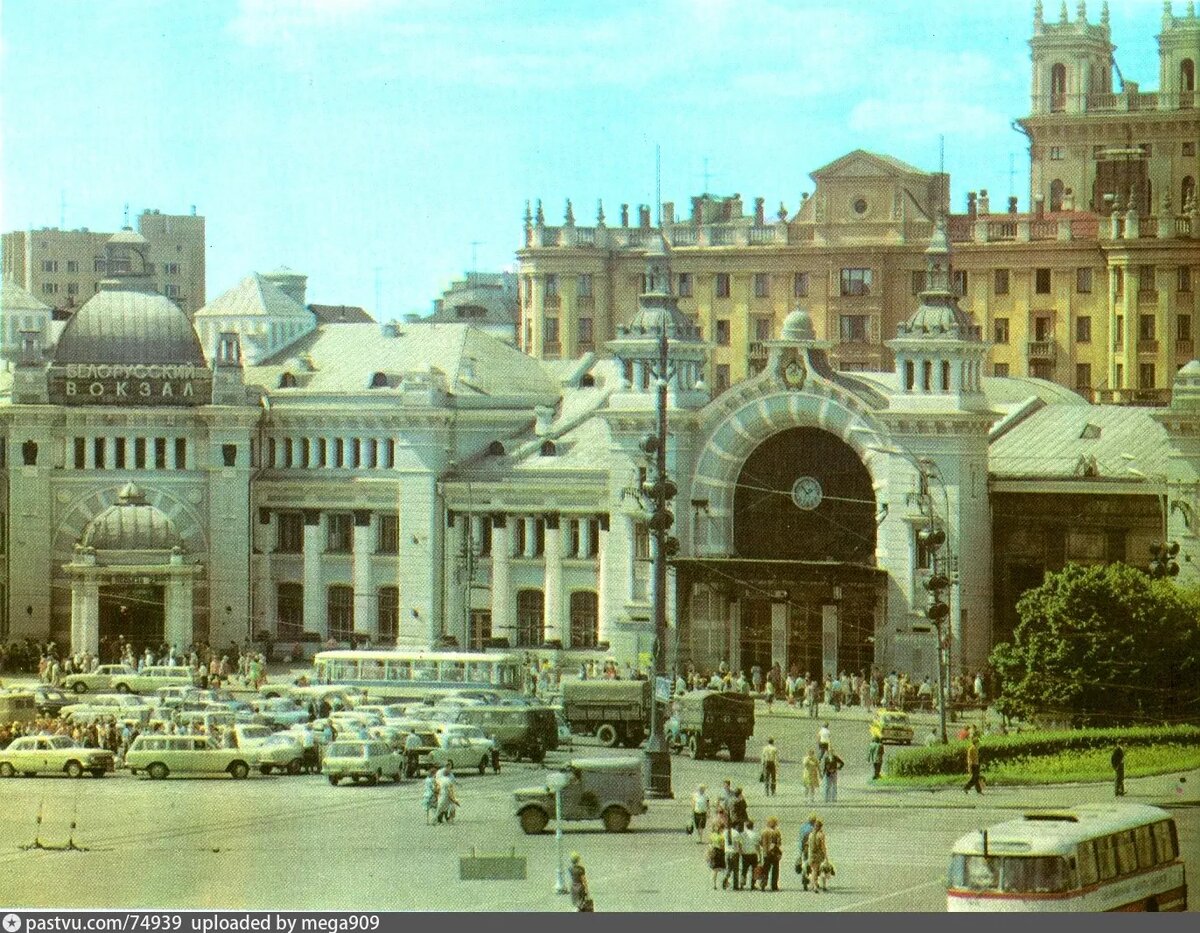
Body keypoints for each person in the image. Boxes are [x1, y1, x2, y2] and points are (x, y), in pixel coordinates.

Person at [759, 817, 783, 892]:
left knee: (765, 869)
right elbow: (779, 843)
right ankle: (774, 886)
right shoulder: (777, 832)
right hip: (774, 853)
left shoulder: (764, 832)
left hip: (766, 853)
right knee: (775, 870)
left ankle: (763, 883)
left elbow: (760, 842)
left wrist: (765, 848)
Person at [795, 813, 817, 890]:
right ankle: (811, 880)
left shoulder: (802, 827)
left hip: (802, 847)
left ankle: (804, 876)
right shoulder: (812, 828)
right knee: (811, 864)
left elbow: (800, 837)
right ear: (813, 821)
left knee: (804, 861)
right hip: (809, 848)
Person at [808, 819, 830, 892]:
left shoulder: (811, 835)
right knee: (822, 870)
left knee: (814, 871)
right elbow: (823, 846)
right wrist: (826, 856)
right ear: (820, 827)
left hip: (811, 855)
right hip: (819, 855)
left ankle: (814, 886)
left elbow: (809, 846)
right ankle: (823, 885)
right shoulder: (821, 835)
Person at [739, 819, 760, 891]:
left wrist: (741, 852)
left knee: (744, 870)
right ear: (752, 826)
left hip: (745, 854)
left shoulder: (742, 834)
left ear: (746, 826)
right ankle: (752, 885)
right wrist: (759, 855)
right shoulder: (755, 834)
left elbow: (740, 844)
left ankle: (741, 884)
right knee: (754, 870)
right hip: (753, 854)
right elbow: (757, 846)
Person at [722, 823, 743, 890]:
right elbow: (739, 843)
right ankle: (735, 886)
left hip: (727, 852)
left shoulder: (725, 832)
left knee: (728, 868)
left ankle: (726, 877)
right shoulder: (736, 833)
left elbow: (723, 841)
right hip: (734, 852)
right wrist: (740, 851)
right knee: (735, 870)